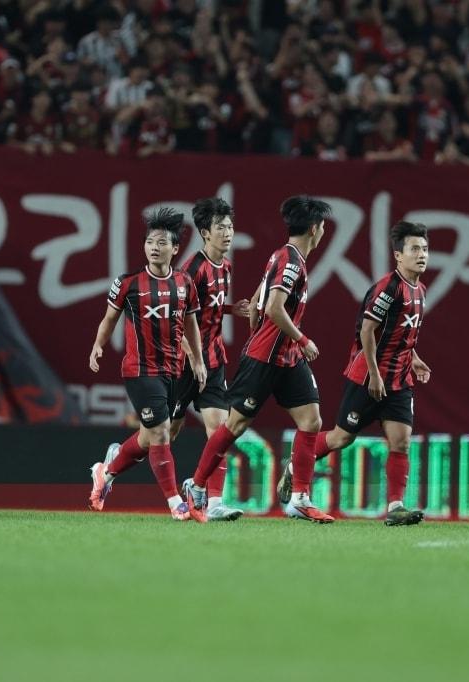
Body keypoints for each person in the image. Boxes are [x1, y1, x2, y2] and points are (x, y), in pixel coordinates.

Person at [186, 196, 335, 524]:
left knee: (311, 420)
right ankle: (196, 486)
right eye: (323, 226)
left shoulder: (283, 256)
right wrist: (302, 339)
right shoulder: (292, 261)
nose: (324, 231)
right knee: (234, 426)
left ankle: (299, 499)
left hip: (286, 359)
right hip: (265, 358)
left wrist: (255, 317)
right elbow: (274, 307)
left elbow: (259, 300)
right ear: (314, 229)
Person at [281, 221, 432, 527]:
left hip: (400, 379)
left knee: (400, 442)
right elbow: (367, 331)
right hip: (367, 377)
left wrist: (414, 358)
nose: (422, 255)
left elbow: (401, 332)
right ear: (398, 256)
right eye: (415, 249)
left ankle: (395, 507)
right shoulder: (389, 288)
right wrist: (375, 375)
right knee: (341, 438)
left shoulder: (421, 289)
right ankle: (295, 469)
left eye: (425, 249)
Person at [87, 208, 207, 521]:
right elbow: (109, 319)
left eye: (162, 243)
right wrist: (98, 347)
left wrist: (197, 359)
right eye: (150, 242)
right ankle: (175, 503)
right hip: (139, 370)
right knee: (161, 433)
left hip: (173, 370)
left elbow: (191, 325)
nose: (154, 247)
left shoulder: (185, 284)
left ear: (175, 248)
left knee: (147, 437)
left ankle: (107, 471)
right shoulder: (128, 283)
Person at [169, 197, 251, 521]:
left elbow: (206, 309)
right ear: (205, 232)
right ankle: (113, 465)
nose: (228, 233)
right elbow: (177, 318)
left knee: (220, 429)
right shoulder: (192, 269)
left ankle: (214, 502)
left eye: (230, 226)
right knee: (164, 434)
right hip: (185, 361)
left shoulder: (226, 267)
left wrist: (233, 310)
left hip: (213, 359)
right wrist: (194, 358)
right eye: (221, 227)